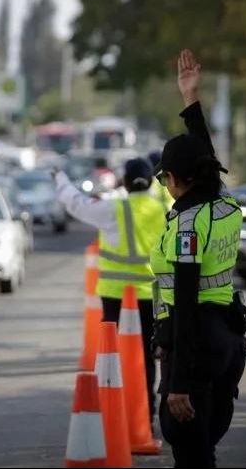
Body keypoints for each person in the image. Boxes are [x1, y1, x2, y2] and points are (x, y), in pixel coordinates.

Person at [150, 49, 246, 468]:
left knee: (190, 451)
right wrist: (191, 103)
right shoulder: (223, 203)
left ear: (174, 179)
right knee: (203, 446)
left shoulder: (189, 225)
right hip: (227, 340)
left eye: (165, 177)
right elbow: (204, 158)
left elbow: (187, 306)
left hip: (198, 346)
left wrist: (178, 385)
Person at [53, 158, 167, 420]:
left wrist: (60, 179)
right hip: (150, 296)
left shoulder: (114, 208)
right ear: (150, 181)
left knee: (111, 358)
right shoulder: (162, 210)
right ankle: (144, 417)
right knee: (148, 358)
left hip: (115, 296)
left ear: (124, 183)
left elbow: (76, 204)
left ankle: (113, 414)